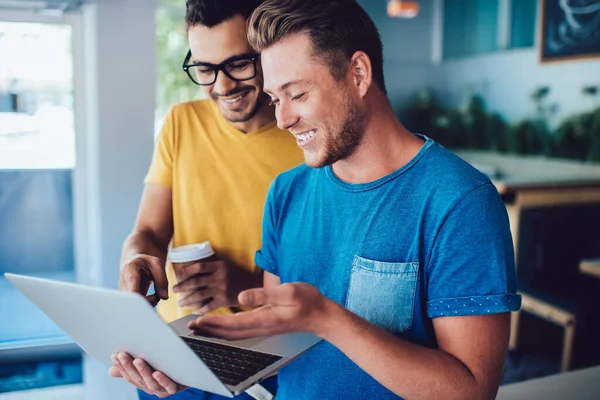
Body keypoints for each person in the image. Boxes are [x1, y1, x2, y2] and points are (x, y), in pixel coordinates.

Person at [120, 0, 521, 399]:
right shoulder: (286, 192)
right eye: (276, 98)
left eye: (296, 94)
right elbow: (271, 339)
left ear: (358, 73)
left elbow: (471, 392)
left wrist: (329, 320)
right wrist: (182, 368)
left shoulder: (460, 202)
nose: (282, 119)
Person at [109, 0, 303, 398]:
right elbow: (148, 230)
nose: (222, 85)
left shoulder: (308, 136)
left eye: (237, 64)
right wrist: (137, 261)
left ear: (267, 48)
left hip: (267, 357)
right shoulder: (182, 122)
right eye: (205, 68)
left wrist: (244, 286)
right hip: (174, 352)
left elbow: (333, 277)